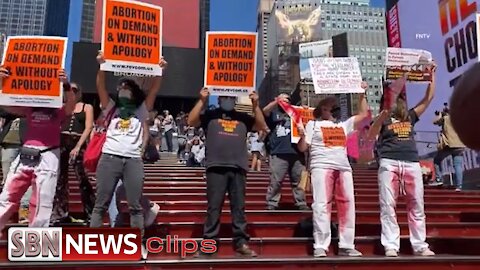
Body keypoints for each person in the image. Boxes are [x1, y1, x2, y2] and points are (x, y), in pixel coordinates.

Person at [89, 51, 167, 241]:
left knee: (135, 206)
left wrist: (160, 70)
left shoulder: (141, 110)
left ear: (133, 91)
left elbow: (154, 90)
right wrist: (102, 66)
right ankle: (91, 244)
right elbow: (100, 86)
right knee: (101, 204)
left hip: (132, 160)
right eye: (120, 87)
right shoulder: (111, 107)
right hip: (109, 158)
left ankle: (136, 243)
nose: (122, 89)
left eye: (126, 87)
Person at [187, 88, 267, 257]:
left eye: (231, 97)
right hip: (216, 166)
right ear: (220, 97)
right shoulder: (211, 114)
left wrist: (256, 104)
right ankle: (209, 244)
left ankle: (241, 243)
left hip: (238, 166)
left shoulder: (243, 117)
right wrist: (201, 100)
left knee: (239, 208)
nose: (227, 99)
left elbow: (261, 126)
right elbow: (191, 121)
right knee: (213, 208)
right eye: (225, 96)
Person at [367, 66, 437, 257]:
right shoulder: (383, 118)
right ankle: (391, 245)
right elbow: (370, 136)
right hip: (389, 162)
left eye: (400, 101)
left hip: (411, 162)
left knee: (416, 204)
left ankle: (420, 245)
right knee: (388, 204)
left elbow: (428, 98)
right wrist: (380, 118)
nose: (400, 104)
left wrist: (432, 76)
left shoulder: (411, 117)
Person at [297, 83, 368, 258]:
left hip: (343, 168)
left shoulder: (343, 125)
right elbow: (302, 148)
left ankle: (346, 244)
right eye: (330, 107)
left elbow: (364, 116)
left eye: (335, 107)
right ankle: (321, 245)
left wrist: (362, 93)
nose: (334, 110)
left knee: (347, 205)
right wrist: (301, 134)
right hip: (321, 166)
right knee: (321, 205)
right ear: (322, 109)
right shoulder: (313, 125)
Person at [0, 67, 75, 230]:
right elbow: (6, 105)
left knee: (42, 202)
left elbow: (70, 107)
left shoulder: (58, 110)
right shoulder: (30, 107)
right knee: (8, 195)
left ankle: (35, 239)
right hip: (26, 153)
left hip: (48, 155)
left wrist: (66, 85)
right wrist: (2, 81)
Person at [51, 83, 95, 224]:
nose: (72, 92)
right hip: (62, 140)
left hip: (78, 140)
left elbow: (88, 127)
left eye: (75, 90)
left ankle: (90, 212)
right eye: (69, 89)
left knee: (82, 178)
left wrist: (78, 146)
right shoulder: (62, 107)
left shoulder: (86, 107)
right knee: (60, 180)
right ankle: (60, 213)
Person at [263, 93, 308, 210]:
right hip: (278, 153)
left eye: (287, 99)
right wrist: (276, 102)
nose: (285, 101)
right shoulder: (273, 114)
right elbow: (265, 111)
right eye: (282, 99)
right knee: (276, 181)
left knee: (299, 181)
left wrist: (306, 111)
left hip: (297, 152)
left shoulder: (296, 113)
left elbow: (310, 119)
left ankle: (301, 202)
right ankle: (272, 202)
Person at [432, 109, 465, 191]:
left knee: (437, 160)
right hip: (460, 144)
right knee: (458, 165)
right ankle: (459, 186)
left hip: (449, 144)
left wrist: (440, 114)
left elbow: (435, 122)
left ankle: (439, 179)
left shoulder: (446, 118)